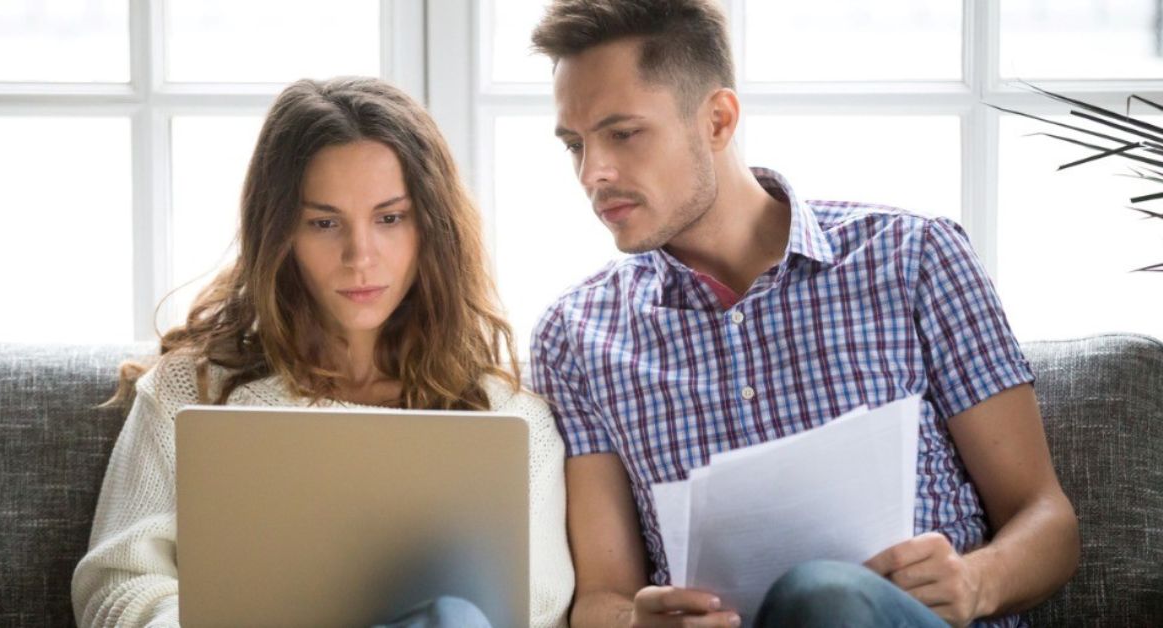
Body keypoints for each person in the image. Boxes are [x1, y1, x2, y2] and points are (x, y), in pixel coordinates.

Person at [527, 1, 1079, 627]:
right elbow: (602, 594)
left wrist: (975, 581)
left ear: (717, 119)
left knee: (825, 596)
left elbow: (1046, 520)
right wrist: (636, 623)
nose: (592, 173)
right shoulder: (575, 336)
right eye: (575, 144)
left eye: (622, 133)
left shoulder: (913, 257)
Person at [71, 77, 574, 628]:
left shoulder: (509, 417)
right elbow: (118, 583)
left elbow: (537, 606)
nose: (360, 256)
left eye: (390, 218)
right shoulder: (192, 390)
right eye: (324, 223)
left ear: (433, 227)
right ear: (280, 233)